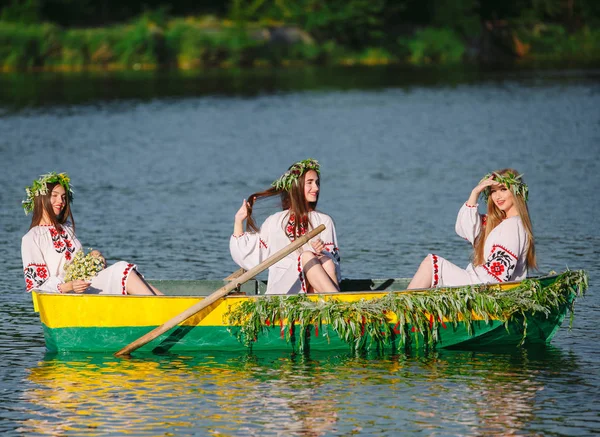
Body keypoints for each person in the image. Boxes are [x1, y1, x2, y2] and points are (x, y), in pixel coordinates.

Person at [21, 172, 163, 295]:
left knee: (129, 273)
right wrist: (69, 286)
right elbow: (37, 287)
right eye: (55, 196)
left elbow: (75, 264)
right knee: (121, 269)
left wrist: (94, 260)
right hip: (65, 296)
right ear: (41, 198)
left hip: (85, 287)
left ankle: (168, 306)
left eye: (64, 197)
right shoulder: (31, 238)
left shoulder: (67, 228)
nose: (61, 201)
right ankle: (164, 310)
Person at [407, 168, 536, 289]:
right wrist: (475, 193)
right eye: (493, 191)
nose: (497, 197)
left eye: (503, 189)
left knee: (431, 263)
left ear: (516, 192)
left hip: (485, 287)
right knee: (431, 265)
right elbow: (464, 227)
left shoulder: (512, 226)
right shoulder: (498, 222)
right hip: (481, 282)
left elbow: (498, 277)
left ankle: (401, 308)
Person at [230, 159, 340, 294]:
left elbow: (334, 266)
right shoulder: (275, 221)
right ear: (296, 186)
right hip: (283, 290)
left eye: (317, 183)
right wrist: (238, 221)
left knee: (326, 262)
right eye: (310, 183)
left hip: (315, 289)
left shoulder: (324, 221)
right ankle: (340, 303)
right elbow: (249, 255)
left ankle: (333, 304)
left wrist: (321, 252)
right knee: (306, 256)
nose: (316, 188)